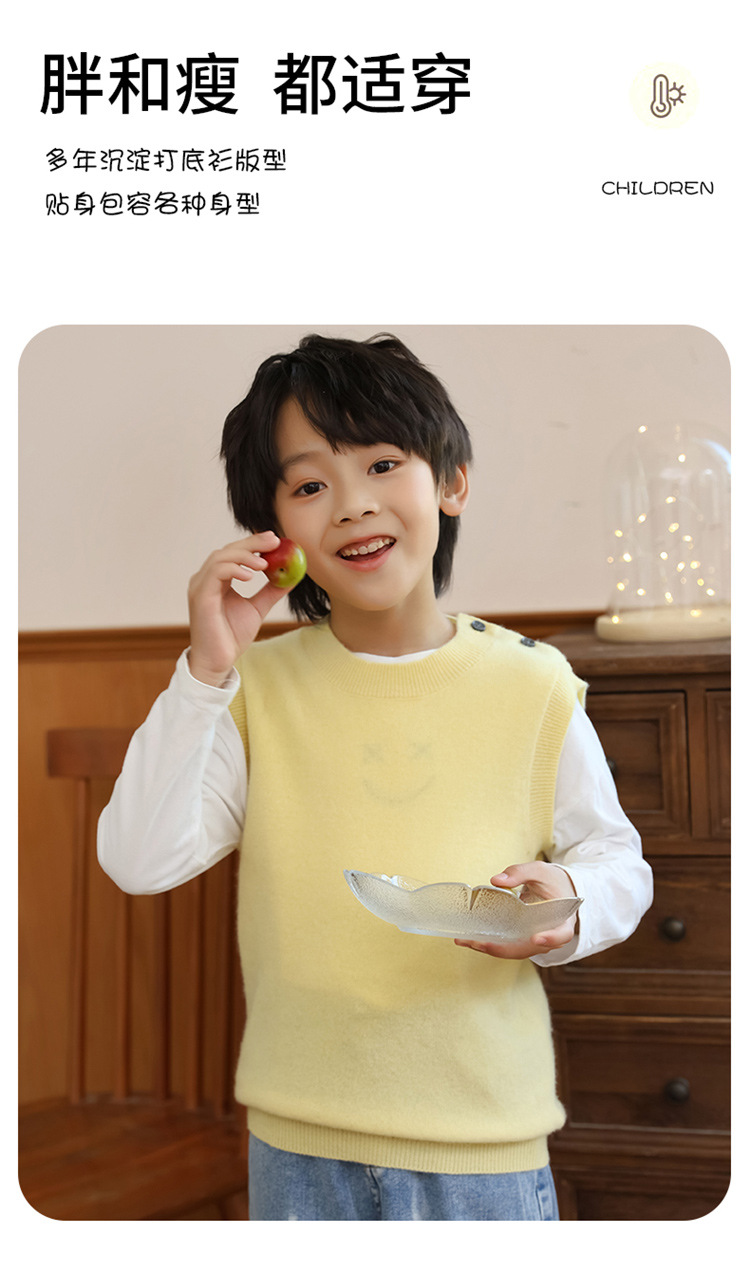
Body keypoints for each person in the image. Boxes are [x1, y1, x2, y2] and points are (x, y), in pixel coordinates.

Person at [98, 332, 652, 1221]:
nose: (353, 505)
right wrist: (206, 670)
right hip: (298, 1144)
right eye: (309, 486)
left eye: (383, 464)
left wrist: (570, 902)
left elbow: (618, 858)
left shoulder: (533, 683)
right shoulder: (253, 689)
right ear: (274, 533)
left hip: (485, 1145)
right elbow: (138, 861)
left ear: (451, 483)